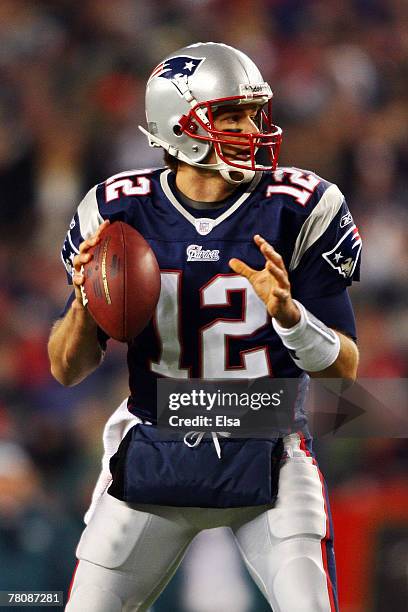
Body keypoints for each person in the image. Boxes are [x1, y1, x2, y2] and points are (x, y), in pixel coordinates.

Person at [48, 42, 361, 611]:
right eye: (232, 116)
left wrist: (291, 316)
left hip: (269, 447)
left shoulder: (298, 205)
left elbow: (345, 367)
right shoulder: (119, 211)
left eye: (254, 113)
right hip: (155, 444)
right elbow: (66, 369)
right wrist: (82, 302)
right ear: (178, 125)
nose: (254, 128)